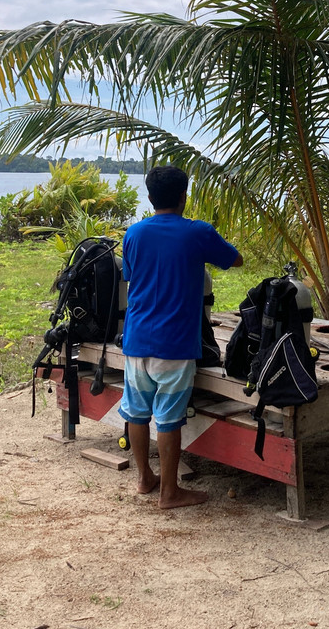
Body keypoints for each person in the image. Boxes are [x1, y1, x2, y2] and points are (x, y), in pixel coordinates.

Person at [118, 165, 243, 509]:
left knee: (137, 412)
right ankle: (170, 493)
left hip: (135, 340)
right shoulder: (197, 232)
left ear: (150, 197)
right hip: (174, 344)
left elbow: (130, 275)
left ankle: (145, 479)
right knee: (169, 418)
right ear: (184, 196)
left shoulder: (134, 233)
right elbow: (236, 260)